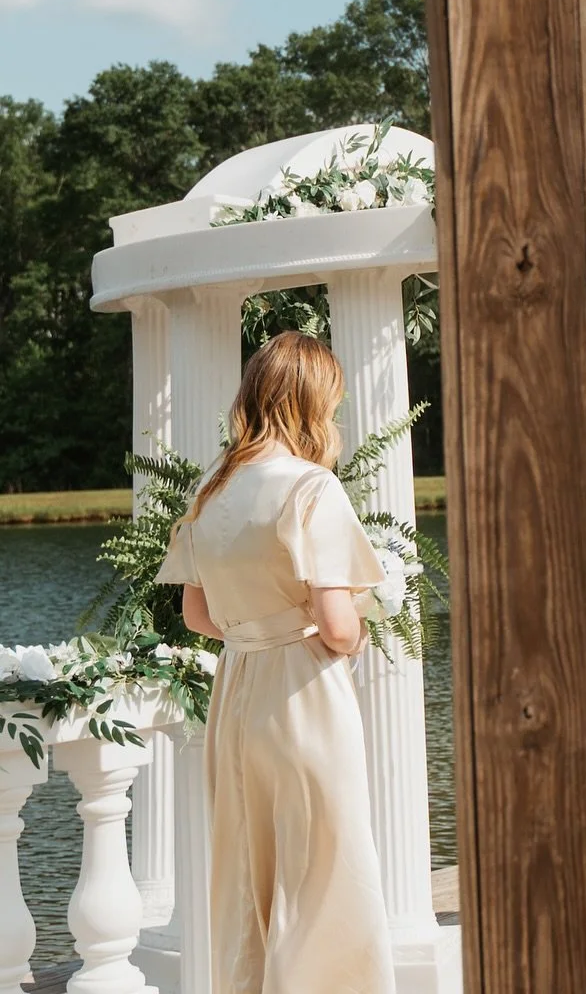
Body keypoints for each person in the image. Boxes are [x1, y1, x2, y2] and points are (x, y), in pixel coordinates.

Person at [158, 329, 394, 994]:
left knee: (246, 865)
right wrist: (350, 626)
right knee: (325, 861)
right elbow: (341, 627)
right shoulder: (311, 487)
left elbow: (197, 617)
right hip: (303, 691)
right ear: (315, 402)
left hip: (238, 692)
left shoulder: (210, 486)